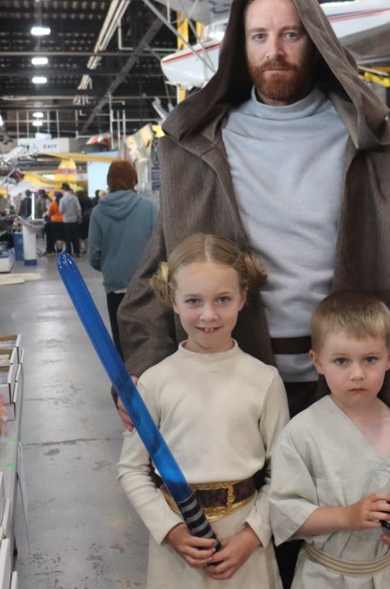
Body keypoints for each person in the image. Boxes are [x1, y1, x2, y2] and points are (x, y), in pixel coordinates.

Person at [117, 0, 390, 450]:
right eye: (259, 36)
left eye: (290, 34)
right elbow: (160, 276)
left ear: (315, 41)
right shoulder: (201, 150)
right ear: (241, 46)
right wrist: (141, 373)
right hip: (229, 384)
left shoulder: (368, 146)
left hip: (348, 385)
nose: (273, 50)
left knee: (344, 520)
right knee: (241, 518)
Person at [116, 233, 288, 588]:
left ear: (243, 297)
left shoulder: (264, 380)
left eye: (222, 299)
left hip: (245, 542)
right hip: (178, 552)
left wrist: (253, 536)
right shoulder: (155, 382)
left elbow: (286, 474)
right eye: (193, 300)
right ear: (173, 301)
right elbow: (131, 469)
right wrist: (171, 531)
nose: (208, 314)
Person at [270, 292, 390, 588]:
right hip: (326, 577)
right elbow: (285, 513)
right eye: (341, 361)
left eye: (370, 359)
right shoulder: (302, 433)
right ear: (317, 361)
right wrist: (347, 516)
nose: (357, 374)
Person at [88, 161, 158, 358]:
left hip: (115, 287)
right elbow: (159, 248)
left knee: (122, 343)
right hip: (146, 286)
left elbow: (94, 256)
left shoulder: (98, 213)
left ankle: (125, 385)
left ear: (109, 181)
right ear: (134, 179)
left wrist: (112, 267)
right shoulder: (149, 208)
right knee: (151, 340)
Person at [58, 182, 82, 257]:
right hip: (74, 220)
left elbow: (61, 210)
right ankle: (77, 252)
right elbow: (79, 209)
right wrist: (79, 217)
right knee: (76, 237)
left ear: (63, 190)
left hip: (66, 221)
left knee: (67, 238)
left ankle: (69, 252)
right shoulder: (75, 198)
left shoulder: (62, 199)